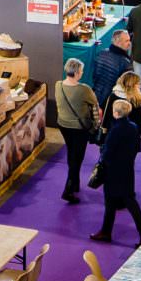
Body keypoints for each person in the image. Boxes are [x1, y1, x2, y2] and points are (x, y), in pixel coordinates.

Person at [88, 99, 141, 245]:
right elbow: (136, 148)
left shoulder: (115, 130)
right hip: (128, 169)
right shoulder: (133, 127)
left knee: (112, 200)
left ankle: (108, 232)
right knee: (127, 200)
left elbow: (107, 152)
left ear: (116, 113)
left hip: (113, 171)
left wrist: (101, 163)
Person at [53, 57, 102, 204]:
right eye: (81, 71)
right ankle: (68, 190)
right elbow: (95, 108)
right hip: (79, 128)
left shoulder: (58, 85)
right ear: (77, 73)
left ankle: (75, 184)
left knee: (72, 152)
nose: (82, 73)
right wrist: (96, 126)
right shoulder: (84, 89)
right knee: (77, 158)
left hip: (63, 124)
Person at [90, 28, 133, 107]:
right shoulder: (126, 63)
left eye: (129, 40)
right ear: (118, 42)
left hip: (96, 96)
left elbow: (94, 76)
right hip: (113, 103)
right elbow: (126, 89)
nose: (129, 43)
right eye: (126, 41)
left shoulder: (101, 53)